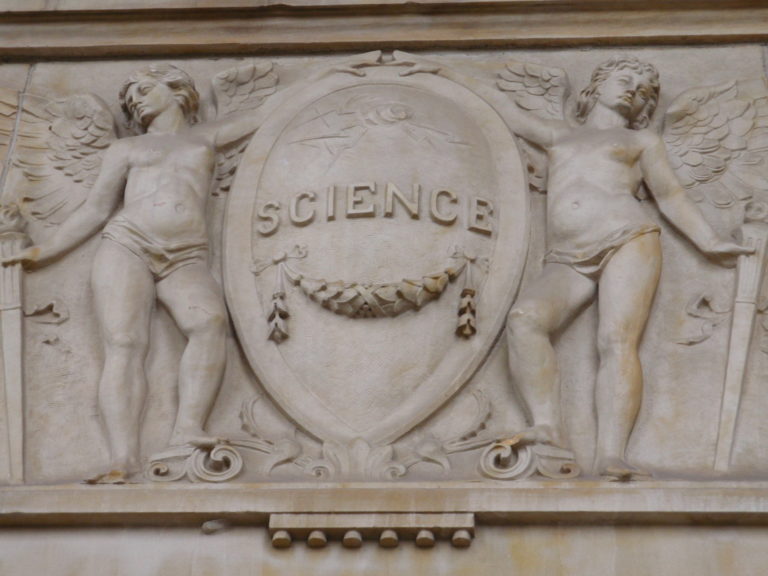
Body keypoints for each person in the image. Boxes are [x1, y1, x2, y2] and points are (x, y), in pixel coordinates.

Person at [4, 64, 266, 482]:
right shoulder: (125, 149)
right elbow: (96, 209)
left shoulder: (205, 137)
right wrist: (45, 250)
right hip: (128, 244)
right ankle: (123, 459)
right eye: (129, 99)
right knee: (125, 344)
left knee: (209, 323)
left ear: (177, 90)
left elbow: (267, 112)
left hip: (186, 253)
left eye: (144, 90)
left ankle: (187, 428)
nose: (136, 102)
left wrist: (334, 75)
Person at [500, 56, 752, 479]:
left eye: (643, 88)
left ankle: (611, 454)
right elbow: (503, 111)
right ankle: (547, 427)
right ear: (596, 86)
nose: (633, 88)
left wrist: (709, 241)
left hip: (629, 238)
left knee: (616, 340)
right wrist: (435, 70)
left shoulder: (641, 141)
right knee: (525, 319)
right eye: (624, 78)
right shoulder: (560, 134)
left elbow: (669, 196)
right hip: (566, 254)